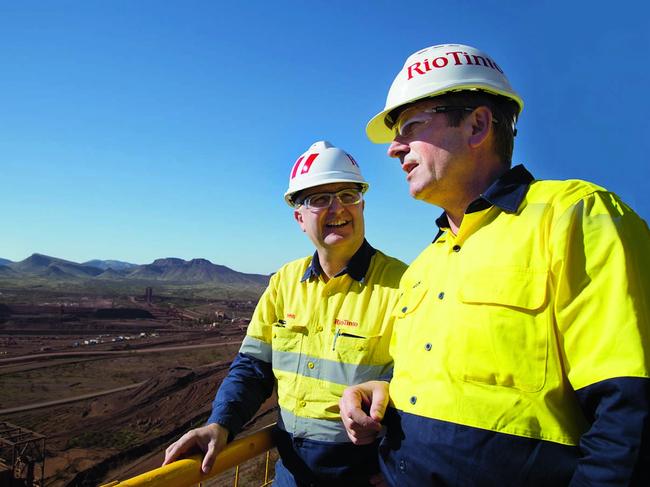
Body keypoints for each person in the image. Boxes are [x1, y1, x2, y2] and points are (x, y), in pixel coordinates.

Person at [340, 43, 650, 486]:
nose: (394, 148)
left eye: (410, 127)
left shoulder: (576, 215)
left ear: (478, 124)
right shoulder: (425, 264)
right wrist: (381, 392)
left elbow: (629, 418)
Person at [163, 140, 407, 486]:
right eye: (320, 199)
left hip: (367, 475)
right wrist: (222, 423)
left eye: (348, 195)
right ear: (299, 218)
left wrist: (399, 466)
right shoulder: (284, 283)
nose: (337, 208)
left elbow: (429, 389)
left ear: (362, 204)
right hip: (291, 472)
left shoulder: (403, 284)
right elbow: (253, 367)